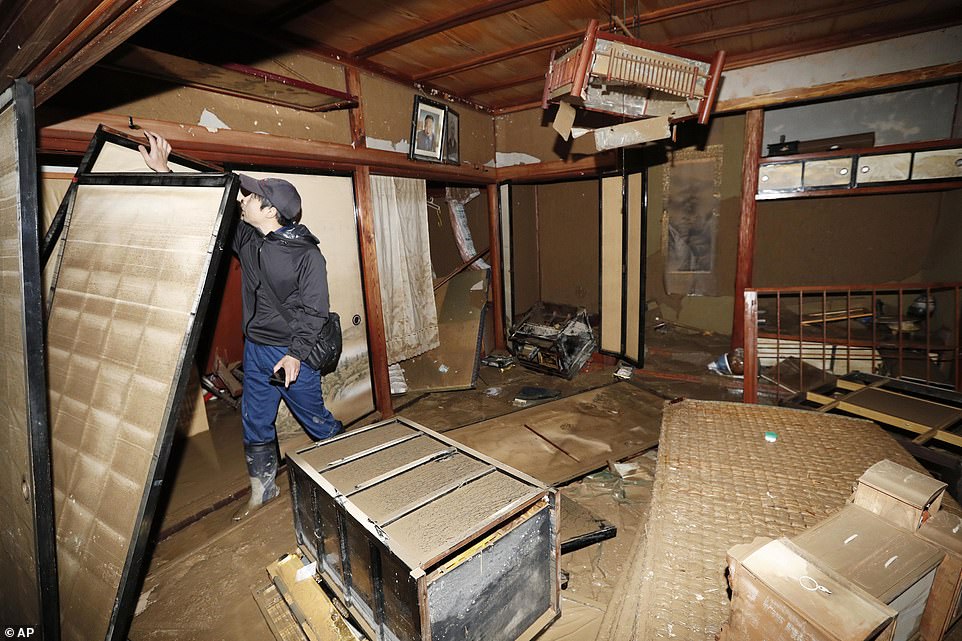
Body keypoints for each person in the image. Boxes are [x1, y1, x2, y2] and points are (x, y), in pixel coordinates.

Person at [139, 131, 343, 521]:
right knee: (255, 418)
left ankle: (347, 465)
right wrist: (164, 170)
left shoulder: (308, 257)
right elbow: (204, 212)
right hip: (257, 349)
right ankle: (262, 490)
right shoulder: (249, 237)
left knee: (315, 419)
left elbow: (316, 312)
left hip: (292, 353)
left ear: (271, 211)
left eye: (250, 197)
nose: (242, 200)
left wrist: (296, 355)